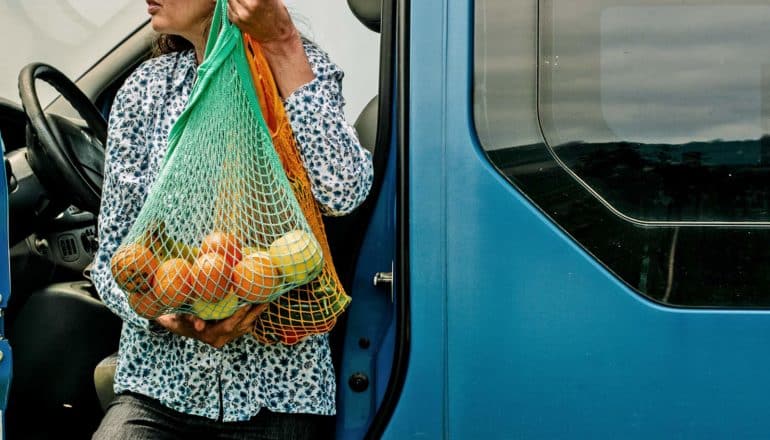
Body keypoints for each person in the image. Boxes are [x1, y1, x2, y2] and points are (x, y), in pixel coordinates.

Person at [91, 0, 374, 438]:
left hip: (280, 392)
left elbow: (344, 191)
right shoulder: (144, 92)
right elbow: (112, 257)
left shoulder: (297, 69)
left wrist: (283, 43)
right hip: (159, 387)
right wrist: (159, 311)